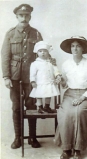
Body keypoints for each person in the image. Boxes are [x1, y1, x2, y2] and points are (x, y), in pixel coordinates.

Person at [1, 4, 56, 149]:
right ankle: (18, 138)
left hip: (32, 77)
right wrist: (6, 76)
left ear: (30, 17)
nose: (24, 18)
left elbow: (44, 53)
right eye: (21, 16)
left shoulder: (36, 34)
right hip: (14, 77)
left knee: (32, 106)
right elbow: (5, 56)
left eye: (26, 16)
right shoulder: (10, 34)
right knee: (16, 108)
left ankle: (32, 137)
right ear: (17, 17)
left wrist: (51, 64)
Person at [55, 36, 87, 159]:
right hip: (69, 95)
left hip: (85, 95)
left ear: (83, 48)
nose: (75, 48)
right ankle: (66, 149)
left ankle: (78, 149)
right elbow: (64, 85)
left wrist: (82, 98)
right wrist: (61, 80)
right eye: (73, 46)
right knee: (67, 113)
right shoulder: (66, 64)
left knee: (79, 112)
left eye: (78, 46)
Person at [29, 41, 61, 113]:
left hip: (49, 82)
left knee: (48, 94)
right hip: (40, 83)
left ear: (48, 52)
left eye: (45, 51)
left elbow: (55, 70)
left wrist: (57, 75)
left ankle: (46, 106)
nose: (42, 53)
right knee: (39, 95)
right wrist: (33, 81)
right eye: (40, 51)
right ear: (37, 53)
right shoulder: (35, 63)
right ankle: (40, 107)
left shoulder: (51, 62)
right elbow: (32, 74)